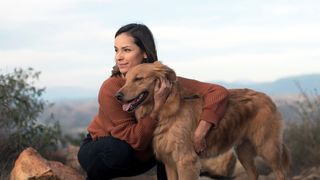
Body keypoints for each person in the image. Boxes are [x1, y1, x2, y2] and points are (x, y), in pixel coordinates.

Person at [77, 23, 230, 180]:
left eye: (126, 50)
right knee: (119, 150)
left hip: (142, 154)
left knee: (169, 140)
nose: (119, 57)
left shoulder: (160, 77)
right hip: (105, 150)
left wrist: (200, 133)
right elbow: (135, 141)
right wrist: (157, 108)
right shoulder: (111, 88)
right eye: (116, 50)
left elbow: (218, 92)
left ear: (144, 52)